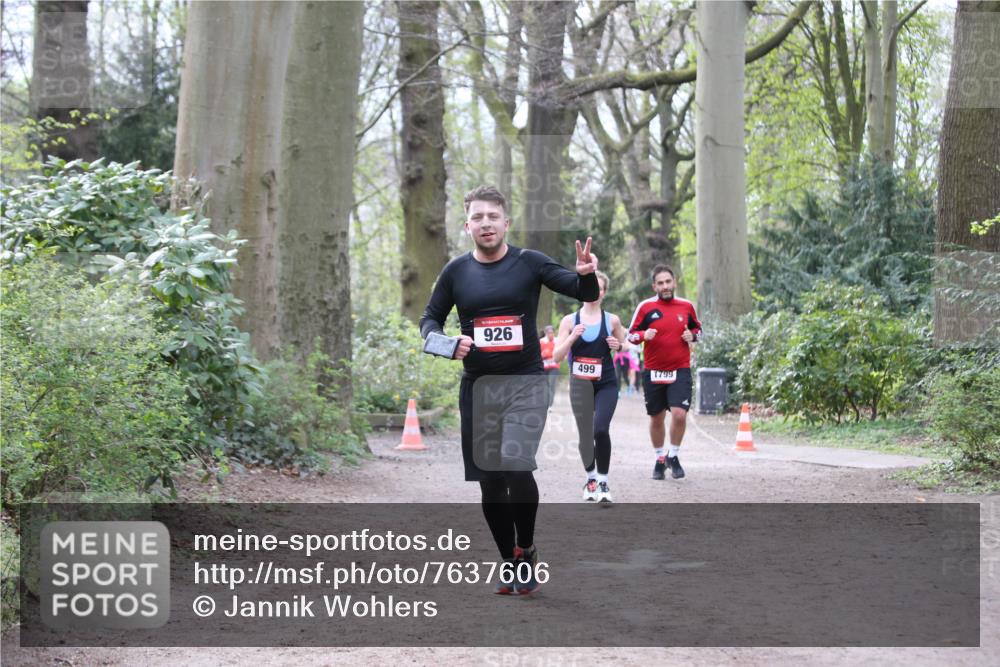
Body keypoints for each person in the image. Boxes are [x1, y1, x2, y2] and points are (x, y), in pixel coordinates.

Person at [419, 185, 599, 595]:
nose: (486, 223)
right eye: (478, 217)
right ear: (467, 226)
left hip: (526, 383)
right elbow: (429, 321)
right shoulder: (455, 272)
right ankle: (510, 560)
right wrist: (448, 345)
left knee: (516, 463)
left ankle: (528, 546)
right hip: (479, 388)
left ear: (506, 223)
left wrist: (586, 277)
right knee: (490, 482)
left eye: (493, 216)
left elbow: (579, 290)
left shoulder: (529, 263)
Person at [551, 271, 626, 503]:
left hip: (606, 382)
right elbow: (556, 356)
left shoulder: (611, 320)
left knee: (600, 429)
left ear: (604, 292)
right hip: (580, 384)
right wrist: (572, 337)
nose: (595, 292)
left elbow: (625, 345)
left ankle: (603, 481)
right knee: (585, 433)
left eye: (599, 288)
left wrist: (619, 345)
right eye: (591, 287)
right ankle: (590, 479)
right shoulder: (568, 321)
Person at [626, 265, 702, 481]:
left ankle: (674, 455)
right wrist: (643, 335)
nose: (665, 286)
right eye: (660, 283)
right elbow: (629, 335)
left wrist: (693, 337)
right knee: (656, 418)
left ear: (674, 282)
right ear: (654, 286)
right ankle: (660, 458)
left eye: (668, 282)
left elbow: (698, 329)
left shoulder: (687, 306)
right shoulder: (645, 307)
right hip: (653, 371)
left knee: (679, 414)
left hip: (680, 369)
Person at [539, 325, 560, 407]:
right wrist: (543, 355)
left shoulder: (557, 341)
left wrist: (554, 358)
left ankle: (549, 405)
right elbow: (537, 355)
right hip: (544, 367)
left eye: (552, 333)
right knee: (544, 385)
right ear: (545, 333)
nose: (551, 334)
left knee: (551, 384)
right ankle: (544, 402)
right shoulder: (541, 342)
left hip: (554, 366)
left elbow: (561, 353)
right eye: (549, 333)